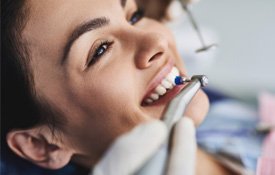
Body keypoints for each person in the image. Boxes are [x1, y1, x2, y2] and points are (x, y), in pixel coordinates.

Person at [2, 0, 262, 174]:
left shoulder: (236, 114)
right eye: (100, 50)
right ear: (42, 145)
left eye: (134, 16)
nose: (157, 38)